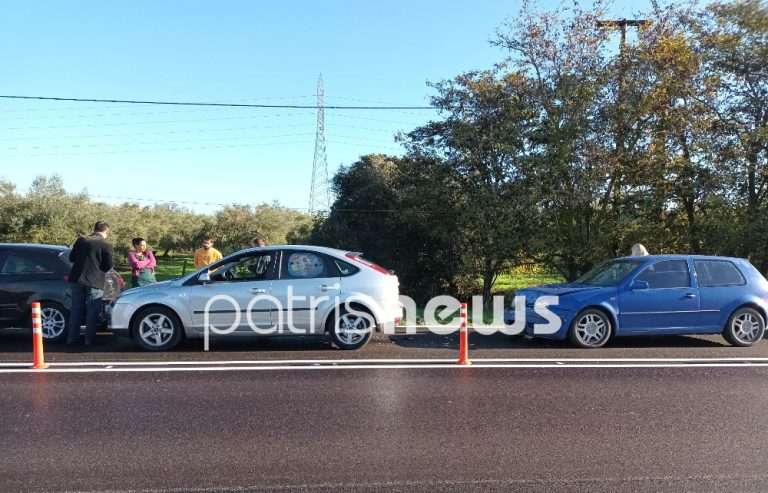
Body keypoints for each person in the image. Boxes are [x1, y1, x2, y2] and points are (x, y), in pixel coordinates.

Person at [67, 221, 115, 347]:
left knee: (76, 310)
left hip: (76, 279)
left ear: (94, 229)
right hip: (95, 280)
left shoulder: (81, 240)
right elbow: (110, 264)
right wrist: (100, 270)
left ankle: (72, 339)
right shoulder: (106, 244)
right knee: (92, 311)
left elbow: (71, 258)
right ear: (106, 231)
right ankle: (89, 340)